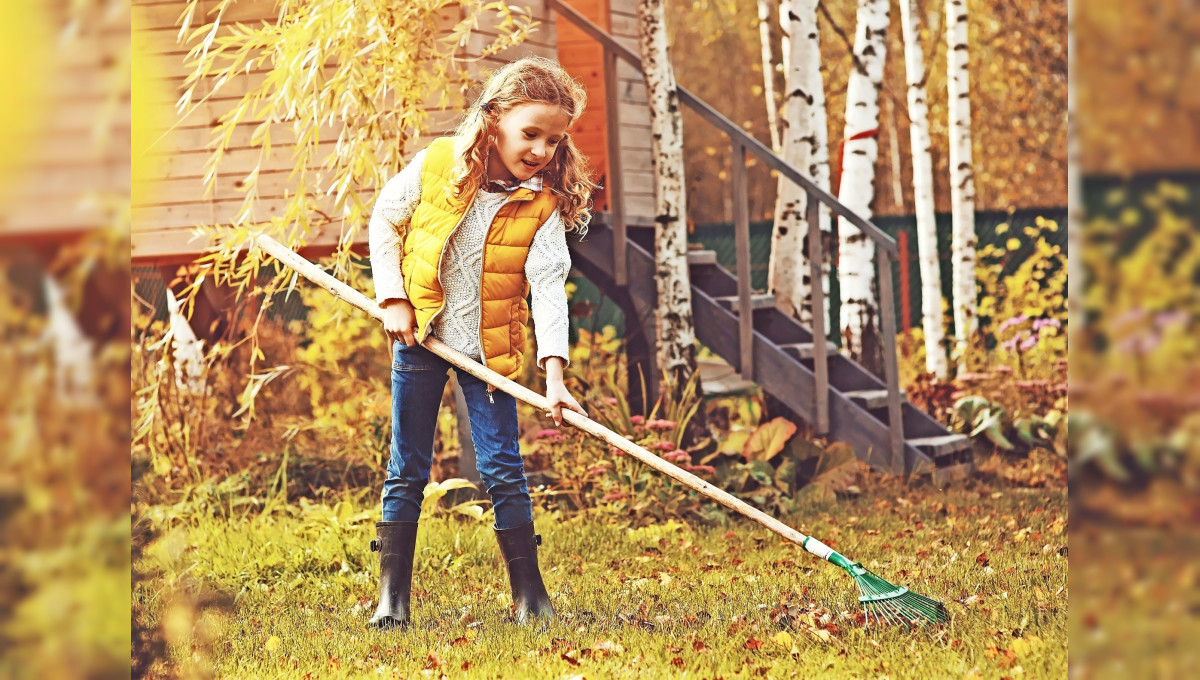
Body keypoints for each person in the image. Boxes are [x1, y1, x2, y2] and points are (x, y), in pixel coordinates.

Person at [365, 56, 596, 630]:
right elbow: (384, 222)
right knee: (407, 465)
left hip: (489, 354)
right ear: (493, 119)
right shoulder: (440, 164)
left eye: (553, 140)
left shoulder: (542, 205)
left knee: (503, 467)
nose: (542, 150)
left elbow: (547, 289)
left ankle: (530, 597)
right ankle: (392, 600)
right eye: (530, 134)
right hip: (420, 338)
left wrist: (555, 378)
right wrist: (393, 298)